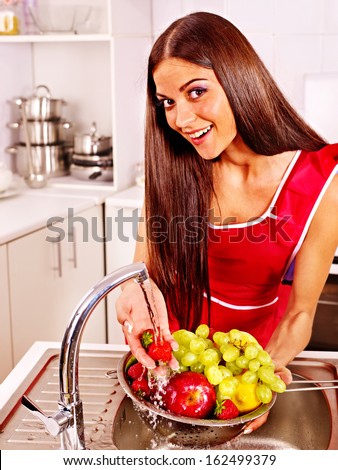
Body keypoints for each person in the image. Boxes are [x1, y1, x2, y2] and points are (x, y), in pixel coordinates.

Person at [116, 12, 338, 432]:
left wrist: (260, 377)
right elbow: (143, 271)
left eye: (196, 92)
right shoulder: (174, 166)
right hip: (175, 360)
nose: (181, 119)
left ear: (238, 79)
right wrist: (132, 287)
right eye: (168, 102)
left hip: (257, 352)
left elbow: (300, 316)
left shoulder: (321, 181)